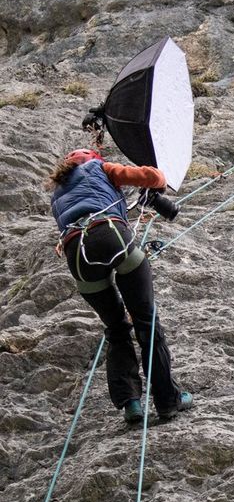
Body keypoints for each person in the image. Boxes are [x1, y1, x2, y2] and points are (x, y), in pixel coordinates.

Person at [49, 148, 192, 423]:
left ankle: (131, 404)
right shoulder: (99, 168)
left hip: (77, 255)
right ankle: (167, 400)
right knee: (146, 321)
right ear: (92, 159)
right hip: (111, 235)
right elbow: (151, 177)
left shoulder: (57, 195)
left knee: (116, 329)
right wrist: (160, 181)